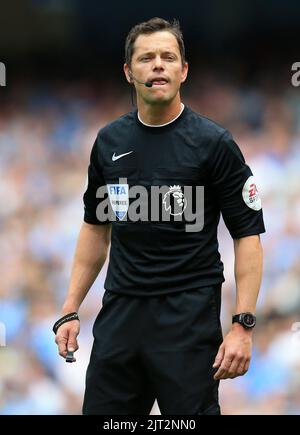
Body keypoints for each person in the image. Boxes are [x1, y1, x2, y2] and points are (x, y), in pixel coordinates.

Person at [53, 17, 265, 415]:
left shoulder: (213, 144)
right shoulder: (108, 142)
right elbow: (96, 228)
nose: (158, 65)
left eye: (168, 57)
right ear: (128, 72)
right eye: (146, 58)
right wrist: (70, 308)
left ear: (183, 71)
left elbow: (248, 236)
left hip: (188, 321)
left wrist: (242, 325)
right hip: (120, 317)